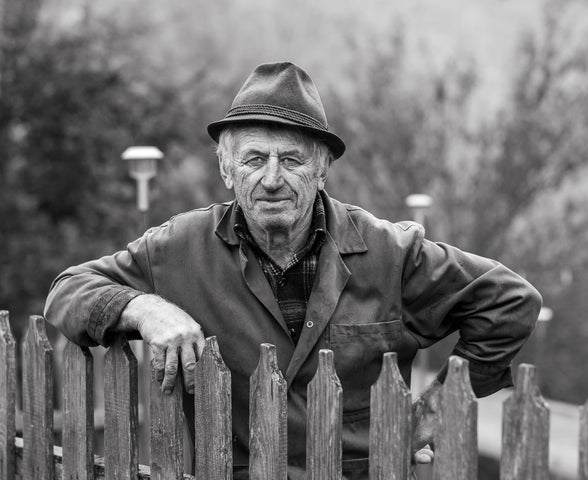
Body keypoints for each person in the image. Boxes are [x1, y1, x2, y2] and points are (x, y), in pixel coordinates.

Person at [44, 62, 542, 479]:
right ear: (226, 169)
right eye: (254, 158)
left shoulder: (391, 252)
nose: (272, 178)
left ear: (322, 168)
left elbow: (511, 301)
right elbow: (68, 291)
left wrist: (433, 411)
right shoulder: (178, 250)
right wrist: (144, 308)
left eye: (293, 159)